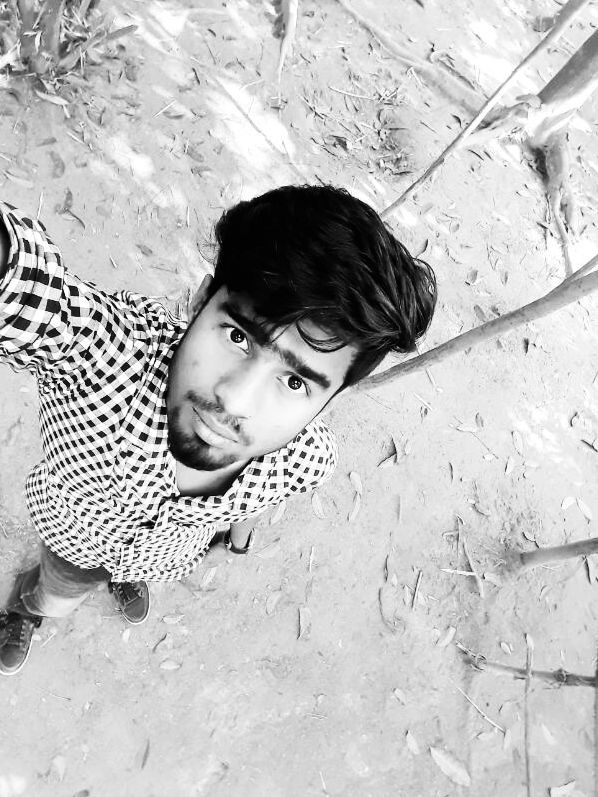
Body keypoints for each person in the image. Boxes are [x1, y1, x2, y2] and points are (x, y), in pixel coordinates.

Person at [0, 184, 436, 675]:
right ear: (200, 300)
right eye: (238, 336)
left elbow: (260, 497)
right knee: (55, 595)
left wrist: (239, 537)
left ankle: (125, 575)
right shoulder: (104, 357)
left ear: (330, 401)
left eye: (295, 382)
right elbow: (34, 294)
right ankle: (26, 608)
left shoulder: (305, 461)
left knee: (133, 568)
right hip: (73, 540)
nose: (236, 400)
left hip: (163, 557)